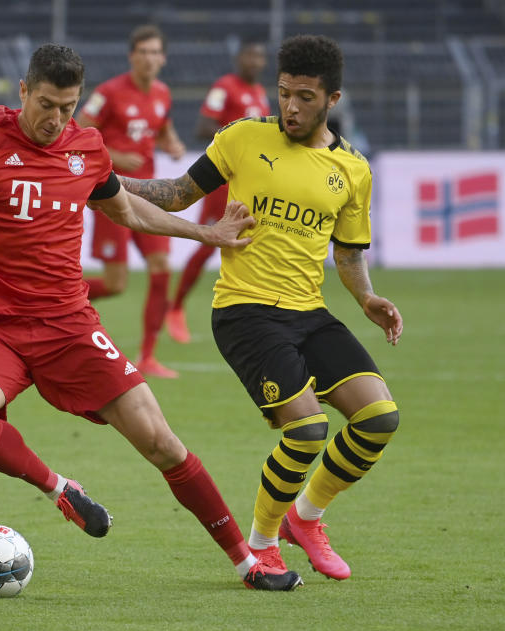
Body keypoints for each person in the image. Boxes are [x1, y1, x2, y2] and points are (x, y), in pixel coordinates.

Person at [0, 43, 301, 591]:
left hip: (71, 326)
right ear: (23, 92)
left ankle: (248, 562)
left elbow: (125, 208)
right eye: (46, 104)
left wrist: (205, 232)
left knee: (162, 444)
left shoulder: (87, 148)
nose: (55, 120)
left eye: (67, 107)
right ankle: (61, 489)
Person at [120, 35, 402, 581]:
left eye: (304, 97)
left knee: (378, 418)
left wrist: (366, 296)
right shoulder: (244, 138)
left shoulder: (354, 170)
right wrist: (106, 181)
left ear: (332, 100)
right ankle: (263, 543)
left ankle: (307, 518)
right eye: (284, 94)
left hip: (309, 310)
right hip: (245, 310)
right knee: (306, 431)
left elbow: (347, 252)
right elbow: (177, 193)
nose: (291, 107)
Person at [76, 25, 186, 378]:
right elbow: (78, 130)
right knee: (115, 284)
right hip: (112, 192)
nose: (150, 59)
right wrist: (116, 155)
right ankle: (51, 294)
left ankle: (149, 357)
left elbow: (163, 126)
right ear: (132, 56)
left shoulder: (163, 93)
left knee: (161, 270)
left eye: (156, 52)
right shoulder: (109, 93)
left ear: (164, 58)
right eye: (144, 52)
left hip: (149, 193)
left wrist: (172, 143)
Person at [165, 40, 271, 344]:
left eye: (260, 56)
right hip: (222, 180)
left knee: (253, 241)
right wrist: (237, 140)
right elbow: (203, 126)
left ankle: (256, 313)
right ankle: (175, 309)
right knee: (209, 241)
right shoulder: (225, 87)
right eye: (250, 54)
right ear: (240, 58)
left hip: (250, 181)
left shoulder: (261, 94)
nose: (255, 61)